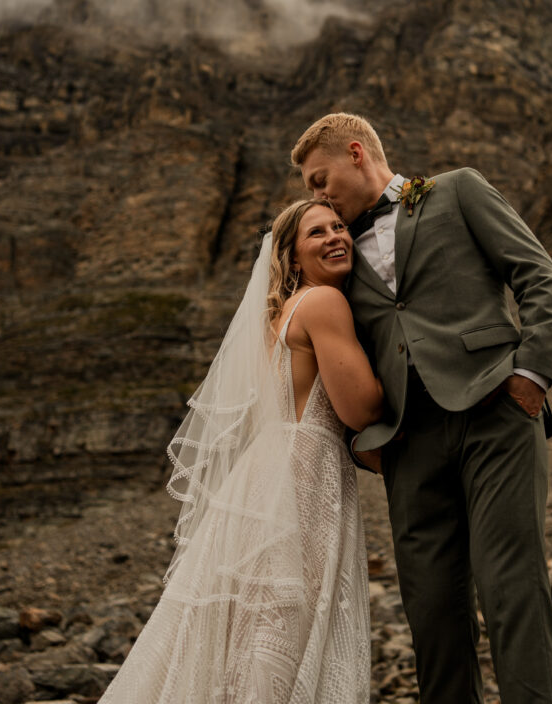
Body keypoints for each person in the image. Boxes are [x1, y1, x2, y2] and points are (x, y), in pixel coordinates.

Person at [292, 112, 552, 704]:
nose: (317, 195)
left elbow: (539, 276)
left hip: (496, 410)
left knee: (510, 584)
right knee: (430, 607)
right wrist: (366, 440)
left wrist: (531, 375)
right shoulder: (334, 253)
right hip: (407, 443)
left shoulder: (458, 189)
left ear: (357, 153)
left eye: (320, 179)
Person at [98, 197, 383, 704]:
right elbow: (359, 408)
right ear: (293, 258)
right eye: (316, 233)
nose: (336, 236)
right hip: (303, 479)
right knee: (291, 623)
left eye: (339, 226)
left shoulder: (279, 315)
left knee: (249, 627)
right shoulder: (324, 302)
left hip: (261, 478)